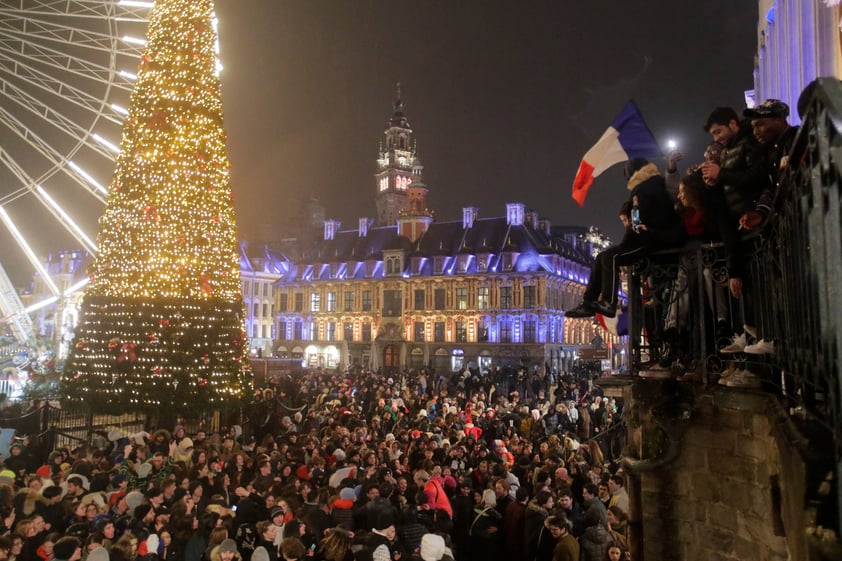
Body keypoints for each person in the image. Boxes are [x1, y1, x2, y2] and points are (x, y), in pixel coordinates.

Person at [567, 157, 684, 319]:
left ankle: (607, 302)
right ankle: (589, 302)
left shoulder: (641, 190)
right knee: (603, 256)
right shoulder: (656, 184)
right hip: (657, 237)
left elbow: (636, 222)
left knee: (610, 256)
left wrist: (625, 245)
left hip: (652, 240)